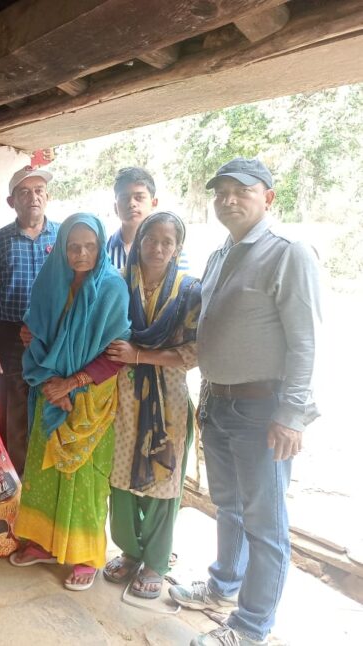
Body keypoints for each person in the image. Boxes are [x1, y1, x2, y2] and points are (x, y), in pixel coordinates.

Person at [169, 158, 321, 646]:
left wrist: (292, 415)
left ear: (268, 197)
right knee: (229, 506)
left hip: (262, 410)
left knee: (265, 523)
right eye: (221, 192)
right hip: (219, 402)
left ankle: (251, 627)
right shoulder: (221, 254)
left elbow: (305, 342)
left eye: (242, 190)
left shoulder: (288, 253)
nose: (228, 199)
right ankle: (223, 585)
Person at [8, 213, 130, 590]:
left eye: (89, 246)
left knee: (84, 478)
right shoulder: (50, 281)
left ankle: (84, 556)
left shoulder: (111, 287)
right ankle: (43, 543)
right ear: (61, 248)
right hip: (49, 390)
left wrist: (71, 384)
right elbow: (36, 334)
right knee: (43, 471)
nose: (81, 254)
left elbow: (116, 354)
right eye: (73, 246)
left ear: (101, 247)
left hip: (90, 398)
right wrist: (50, 382)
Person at [102, 212, 201, 598]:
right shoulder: (117, 283)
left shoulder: (190, 291)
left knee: (164, 475)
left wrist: (140, 355)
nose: (157, 248)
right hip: (124, 396)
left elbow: (194, 352)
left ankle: (156, 561)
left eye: (167, 241)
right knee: (120, 473)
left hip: (169, 399)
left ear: (177, 247)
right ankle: (130, 551)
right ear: (139, 241)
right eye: (150, 239)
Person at [0, 166, 59, 474]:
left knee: (53, 404)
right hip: (9, 337)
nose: (33, 197)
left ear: (47, 197)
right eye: (24, 192)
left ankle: (46, 483)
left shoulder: (64, 238)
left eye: (39, 190)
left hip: (55, 337)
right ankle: (17, 486)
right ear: (12, 202)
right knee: (14, 412)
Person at [107, 167, 189, 271]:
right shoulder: (103, 251)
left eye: (139, 197)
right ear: (115, 207)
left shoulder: (171, 252)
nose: (132, 203)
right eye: (124, 198)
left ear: (154, 203)